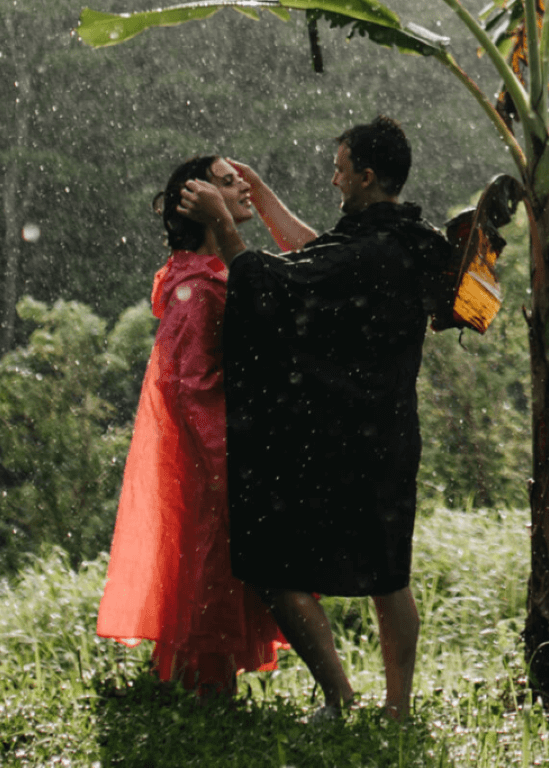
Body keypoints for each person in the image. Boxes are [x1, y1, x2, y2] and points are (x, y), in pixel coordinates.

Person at [177, 116, 450, 720]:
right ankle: (396, 710)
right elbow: (315, 256)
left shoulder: (368, 248)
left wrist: (226, 226)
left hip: (338, 438)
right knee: (389, 573)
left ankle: (343, 698)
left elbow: (280, 286)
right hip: (392, 433)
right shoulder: (407, 239)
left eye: (341, 169)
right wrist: (265, 195)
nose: (334, 180)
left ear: (367, 176)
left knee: (275, 564)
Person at [96, 156, 288, 698]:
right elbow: (191, 389)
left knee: (220, 572)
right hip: (215, 461)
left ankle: (205, 697)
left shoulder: (215, 275)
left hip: (231, 452)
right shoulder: (195, 290)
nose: (243, 188)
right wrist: (231, 459)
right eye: (229, 183)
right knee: (210, 570)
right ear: (201, 204)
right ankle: (207, 698)